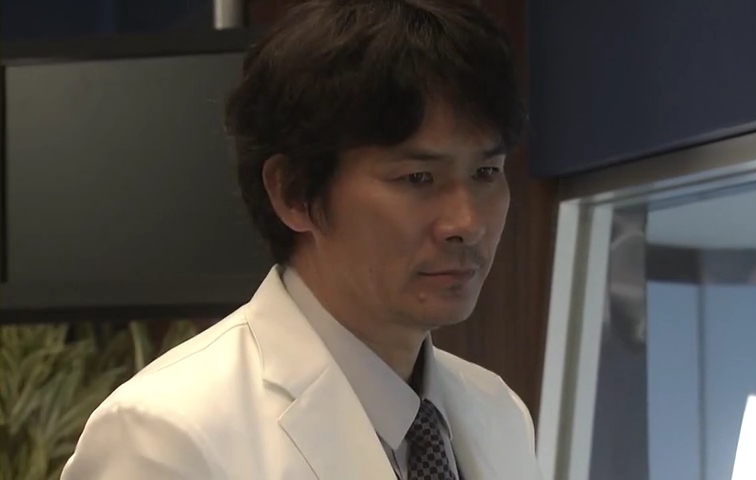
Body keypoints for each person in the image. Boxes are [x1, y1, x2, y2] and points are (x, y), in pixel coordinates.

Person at [60, 0, 541, 478]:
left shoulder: (499, 412)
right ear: (294, 193)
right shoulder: (166, 435)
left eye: (485, 172)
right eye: (418, 178)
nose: (467, 223)